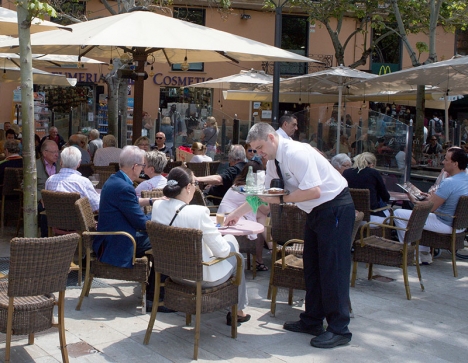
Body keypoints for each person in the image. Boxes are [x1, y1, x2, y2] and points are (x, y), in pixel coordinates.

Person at [225, 122, 355, 349]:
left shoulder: (295, 152)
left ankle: (339, 329)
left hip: (334, 207)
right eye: (254, 149)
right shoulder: (274, 161)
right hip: (315, 211)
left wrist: (282, 200)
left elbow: (314, 190)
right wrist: (235, 214)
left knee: (333, 269)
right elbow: (262, 195)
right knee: (312, 266)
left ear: (272, 137)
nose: (258, 153)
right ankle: (313, 320)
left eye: (260, 147)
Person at [151, 166, 250, 326]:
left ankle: (237, 309)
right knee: (237, 255)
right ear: (189, 187)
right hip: (200, 277)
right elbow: (223, 251)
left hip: (173, 274)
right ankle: (238, 311)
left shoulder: (157, 207)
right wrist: (230, 240)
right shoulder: (198, 212)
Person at [93, 145, 166, 312]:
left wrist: (152, 202)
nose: (142, 169)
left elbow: (128, 205)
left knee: (157, 241)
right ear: (135, 166)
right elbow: (141, 223)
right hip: (119, 241)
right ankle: (156, 298)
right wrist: (159, 215)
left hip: (113, 237)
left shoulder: (115, 180)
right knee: (163, 244)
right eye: (142, 165)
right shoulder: (124, 187)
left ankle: (154, 293)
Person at [394, 147, 468, 265]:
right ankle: (424, 253)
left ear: (455, 163)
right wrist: (429, 197)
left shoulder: (449, 182)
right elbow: (443, 200)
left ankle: (411, 254)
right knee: (420, 218)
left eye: (446, 159)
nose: (443, 162)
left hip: (445, 223)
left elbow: (429, 208)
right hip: (460, 225)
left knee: (398, 214)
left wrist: (414, 199)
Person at [218, 160, 270, 271]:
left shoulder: (237, 185)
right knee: (261, 218)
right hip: (232, 221)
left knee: (260, 217)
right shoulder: (250, 189)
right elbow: (266, 210)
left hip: (224, 218)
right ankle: (263, 256)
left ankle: (264, 254)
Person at [45, 146, 100, 212]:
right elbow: (97, 206)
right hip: (79, 221)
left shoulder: (50, 180)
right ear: (79, 163)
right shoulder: (83, 182)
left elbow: (47, 204)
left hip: (53, 221)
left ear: (61, 162)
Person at [343, 152, 391, 224]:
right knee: (388, 208)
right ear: (372, 164)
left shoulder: (346, 172)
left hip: (351, 214)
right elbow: (386, 197)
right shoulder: (373, 173)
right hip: (371, 215)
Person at [36, 140, 61, 237]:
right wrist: (39, 198)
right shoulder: (35, 166)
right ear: (45, 153)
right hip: (42, 199)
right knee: (44, 209)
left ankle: (65, 237)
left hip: (59, 197)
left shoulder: (60, 164)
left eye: (57, 152)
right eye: (54, 152)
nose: (56, 155)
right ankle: (45, 238)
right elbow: (25, 186)